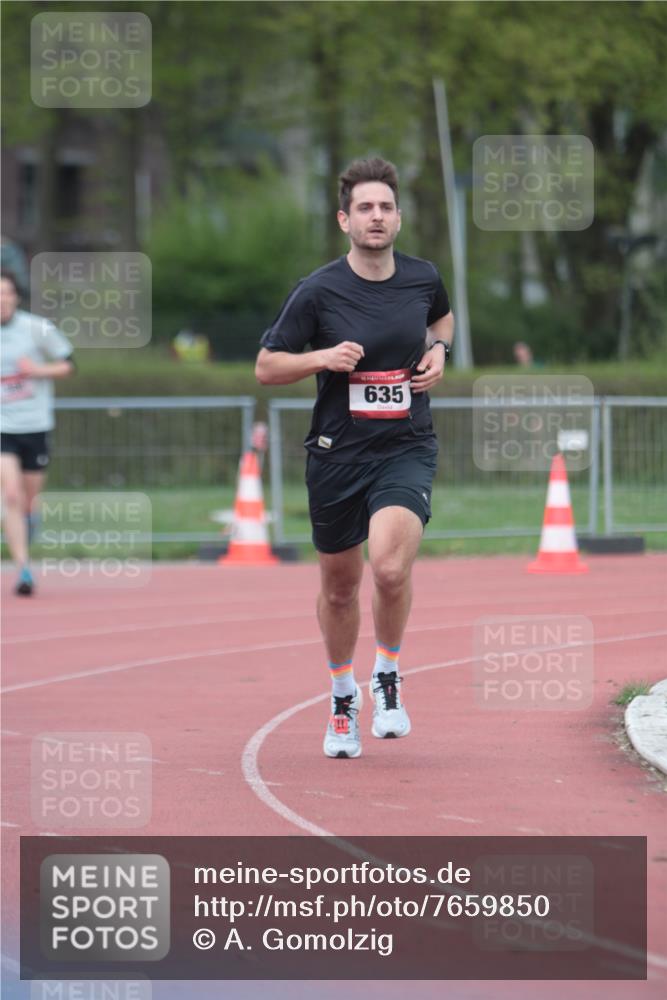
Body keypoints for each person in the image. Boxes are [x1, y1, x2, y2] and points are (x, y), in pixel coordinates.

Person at [255, 157, 454, 758]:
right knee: (340, 588)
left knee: (391, 569)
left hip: (405, 447)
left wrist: (441, 349)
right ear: (345, 219)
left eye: (386, 207)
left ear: (399, 218)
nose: (376, 216)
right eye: (365, 207)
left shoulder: (423, 278)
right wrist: (321, 359)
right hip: (338, 455)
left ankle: (387, 675)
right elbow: (267, 368)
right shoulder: (317, 290)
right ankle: (343, 694)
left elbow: (440, 318)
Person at [0, 270, 75, 596]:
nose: (1, 299)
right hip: (3, 426)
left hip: (35, 424)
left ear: (16, 297)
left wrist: (36, 371)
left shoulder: (37, 327)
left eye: (6, 292)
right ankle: (23, 568)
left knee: (30, 501)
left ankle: (29, 529)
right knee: (11, 495)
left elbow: (68, 363)